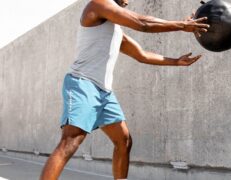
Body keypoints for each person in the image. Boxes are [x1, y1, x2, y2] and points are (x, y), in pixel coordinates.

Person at [40, 0, 209, 179]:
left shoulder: (116, 30)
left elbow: (141, 55)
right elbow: (143, 23)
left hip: (104, 92)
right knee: (71, 141)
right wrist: (182, 25)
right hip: (83, 83)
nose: (128, 1)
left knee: (123, 140)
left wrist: (175, 61)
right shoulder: (98, 4)